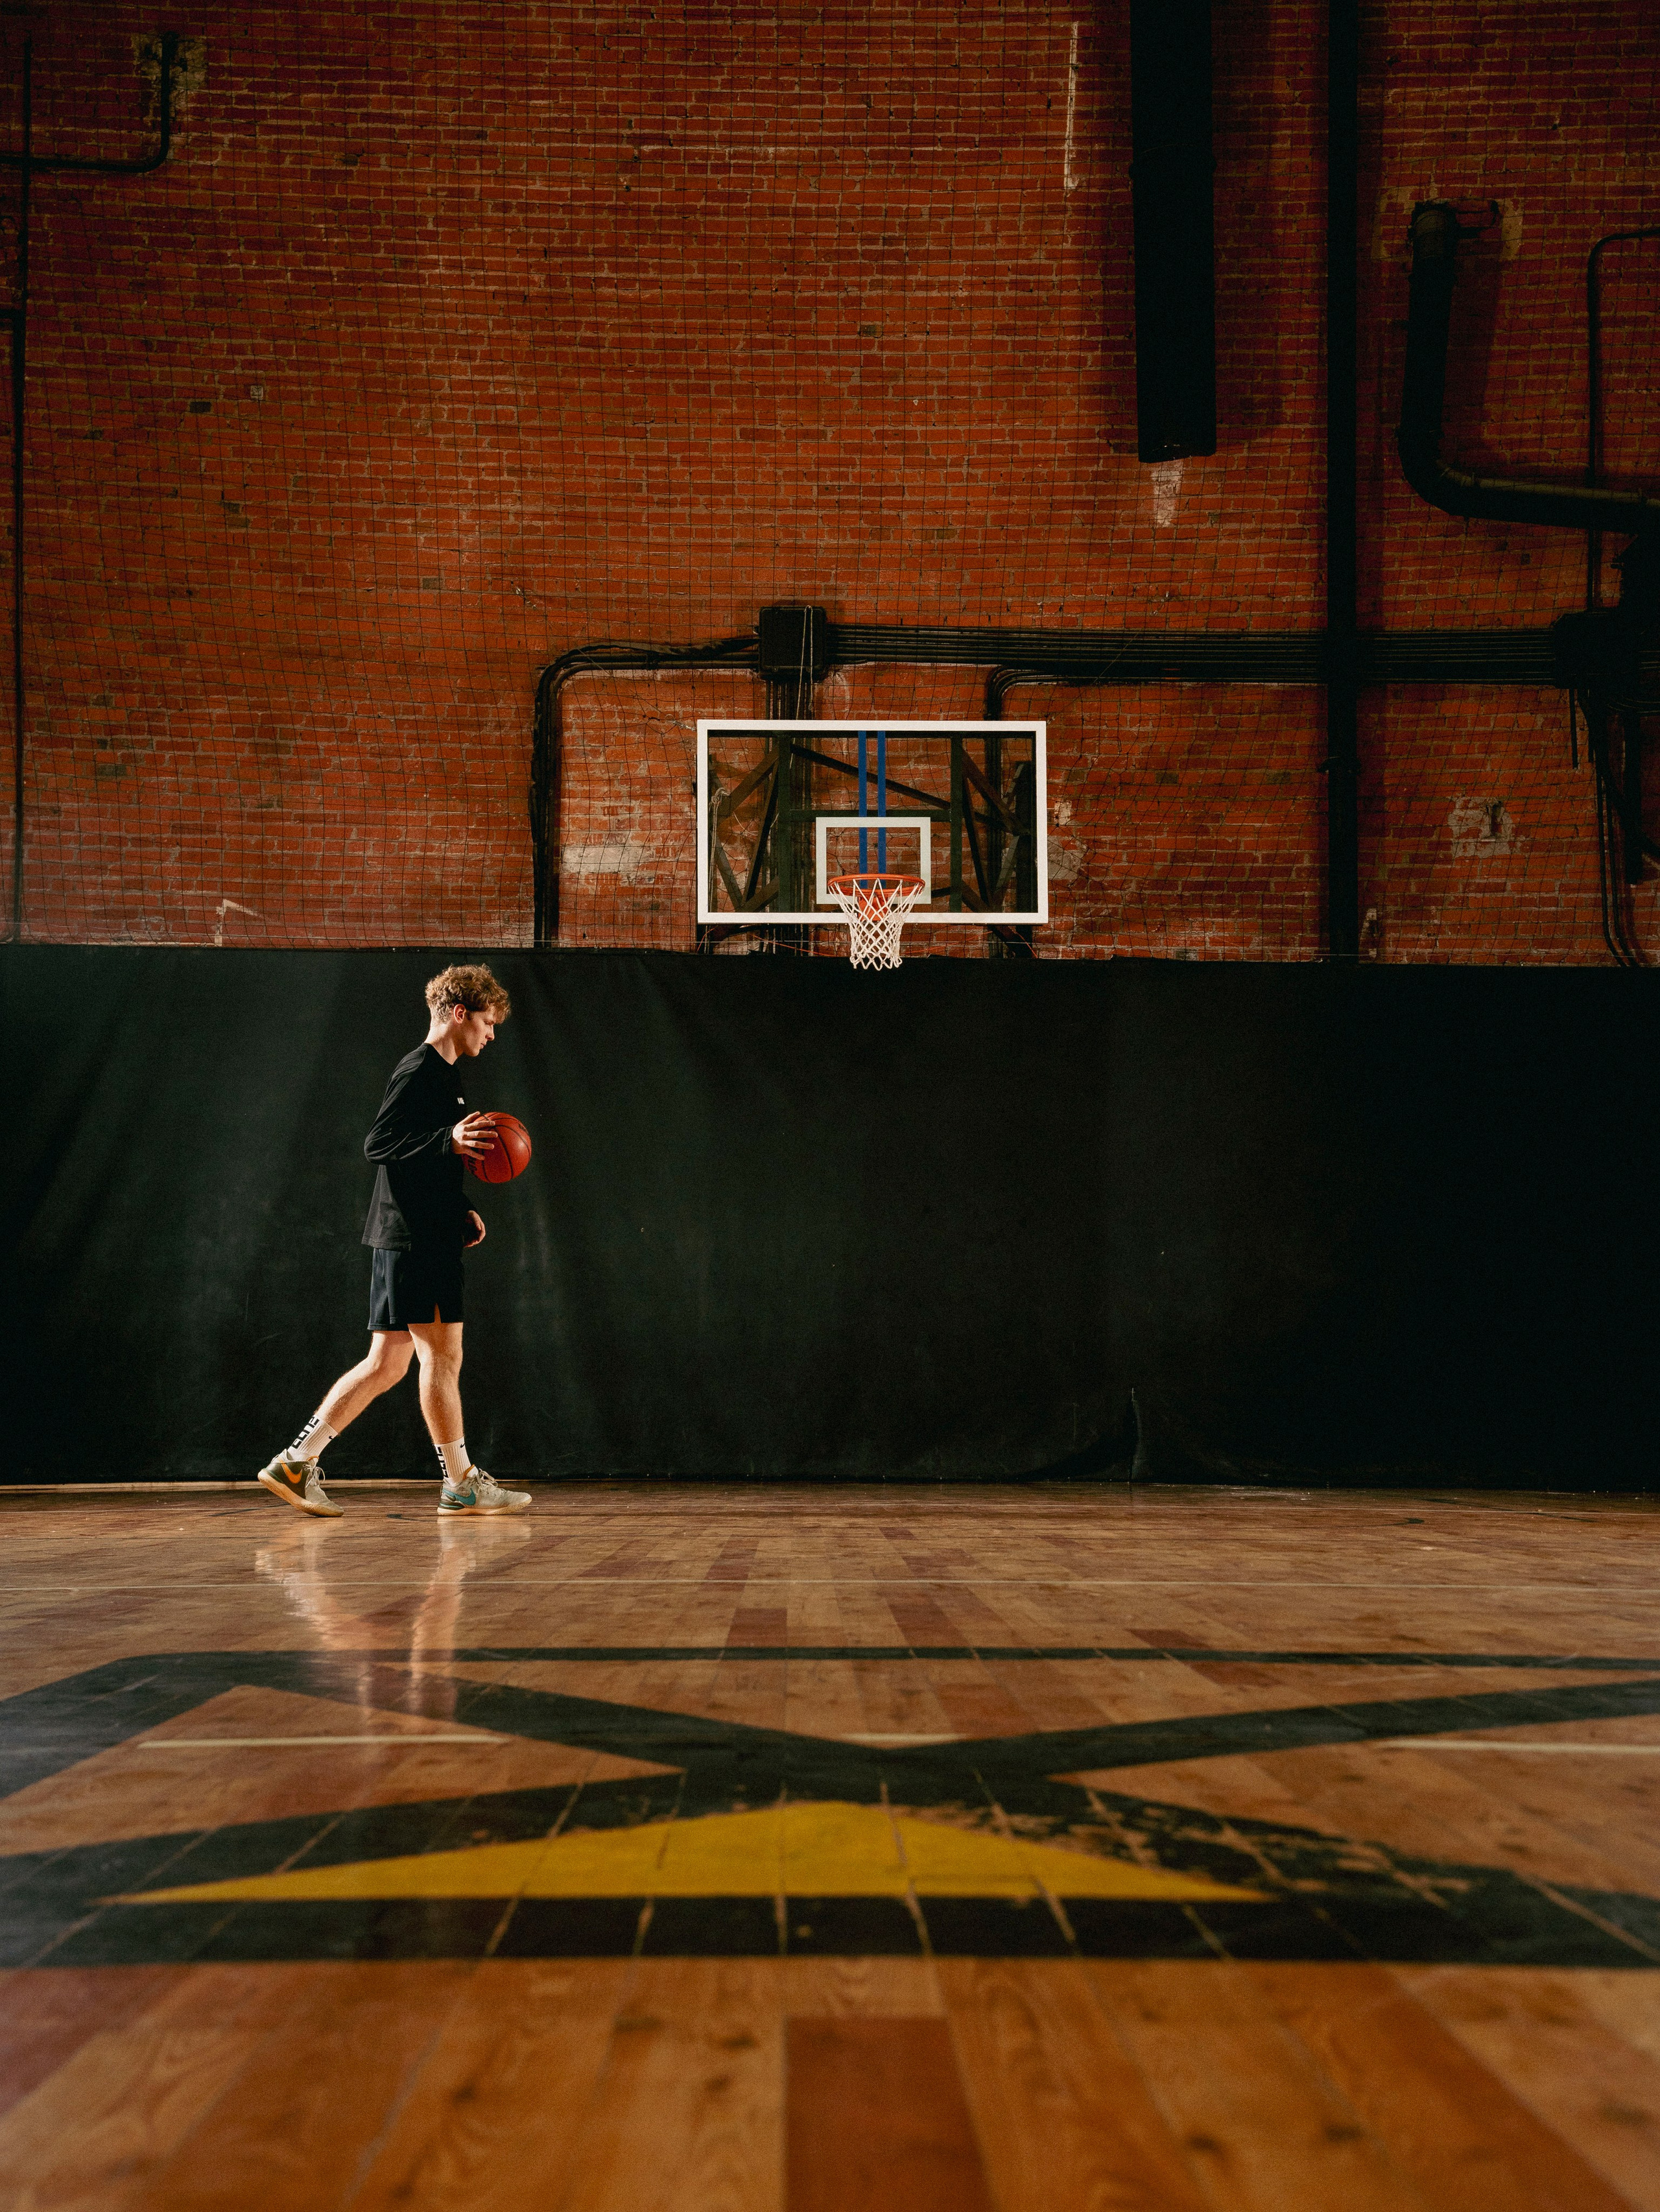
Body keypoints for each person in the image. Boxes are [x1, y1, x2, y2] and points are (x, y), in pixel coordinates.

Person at [256, 963, 532, 1519]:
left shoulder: (444, 1075)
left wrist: (462, 1208)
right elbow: (379, 1143)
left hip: (411, 1234)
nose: (491, 1033)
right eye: (486, 1021)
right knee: (442, 1356)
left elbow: (422, 1163)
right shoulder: (420, 1068)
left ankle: (295, 1460)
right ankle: (460, 1482)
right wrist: (448, 1139)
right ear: (459, 1013)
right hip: (416, 1244)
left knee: (386, 1363)